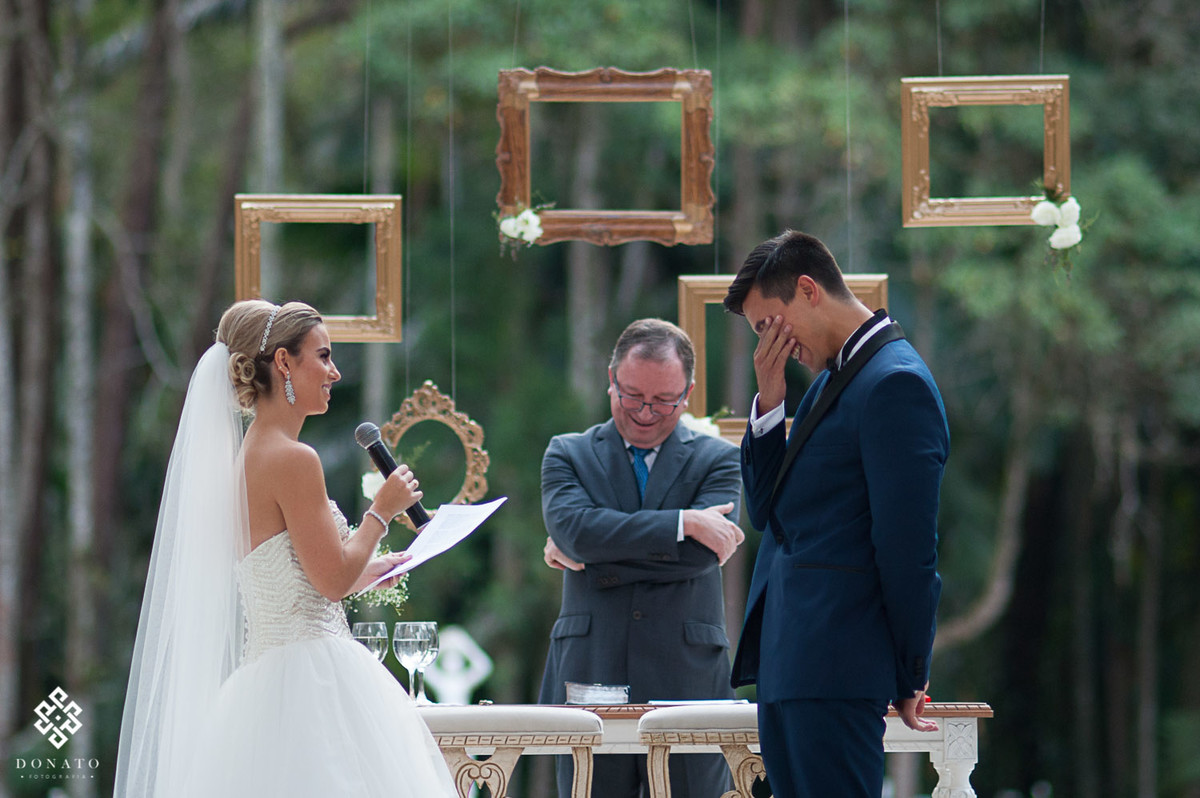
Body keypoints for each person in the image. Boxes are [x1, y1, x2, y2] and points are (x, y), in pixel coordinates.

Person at [114, 299, 455, 797]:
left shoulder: (251, 454)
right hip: (310, 682)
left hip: (264, 683)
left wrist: (373, 568)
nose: (334, 372)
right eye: (323, 356)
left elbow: (299, 575)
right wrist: (381, 512)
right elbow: (331, 580)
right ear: (283, 363)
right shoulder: (293, 458)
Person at [722, 230, 949, 798]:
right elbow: (767, 511)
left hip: (837, 665)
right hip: (794, 665)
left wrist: (910, 667)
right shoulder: (831, 380)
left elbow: (908, 549)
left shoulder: (895, 383)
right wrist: (769, 402)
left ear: (807, 289)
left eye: (769, 324)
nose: (771, 344)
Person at [538, 318, 746, 798]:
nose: (646, 413)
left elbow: (699, 558)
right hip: (589, 670)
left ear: (688, 392)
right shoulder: (566, 454)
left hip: (687, 678)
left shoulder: (719, 459)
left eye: (663, 401)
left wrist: (590, 554)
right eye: (631, 396)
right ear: (610, 380)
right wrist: (684, 523)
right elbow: (572, 529)